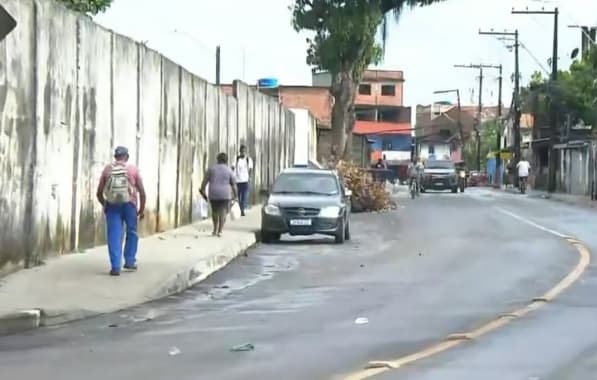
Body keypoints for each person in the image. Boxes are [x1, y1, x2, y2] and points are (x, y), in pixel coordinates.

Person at [96, 146, 146, 276]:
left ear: (115, 157)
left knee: (114, 235)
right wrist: (141, 210)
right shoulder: (132, 170)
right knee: (132, 232)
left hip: (112, 205)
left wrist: (105, 204)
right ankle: (129, 261)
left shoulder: (108, 170)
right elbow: (142, 192)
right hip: (130, 204)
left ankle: (115, 266)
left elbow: (99, 193)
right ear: (127, 157)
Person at [200, 152, 238, 237]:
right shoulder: (229, 170)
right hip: (225, 194)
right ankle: (220, 231)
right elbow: (234, 185)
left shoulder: (211, 169)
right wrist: (236, 196)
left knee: (214, 211)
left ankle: (214, 229)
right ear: (226, 160)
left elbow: (204, 181)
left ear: (217, 160)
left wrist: (202, 190)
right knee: (223, 212)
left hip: (213, 193)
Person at [233, 145, 253, 216]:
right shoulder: (236, 159)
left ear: (246, 152)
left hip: (245, 180)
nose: (243, 153)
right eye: (242, 151)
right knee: (237, 196)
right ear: (240, 151)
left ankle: (242, 209)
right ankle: (239, 208)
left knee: (244, 196)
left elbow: (250, 169)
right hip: (237, 181)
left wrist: (249, 177)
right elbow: (233, 167)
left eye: (244, 151)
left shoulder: (248, 159)